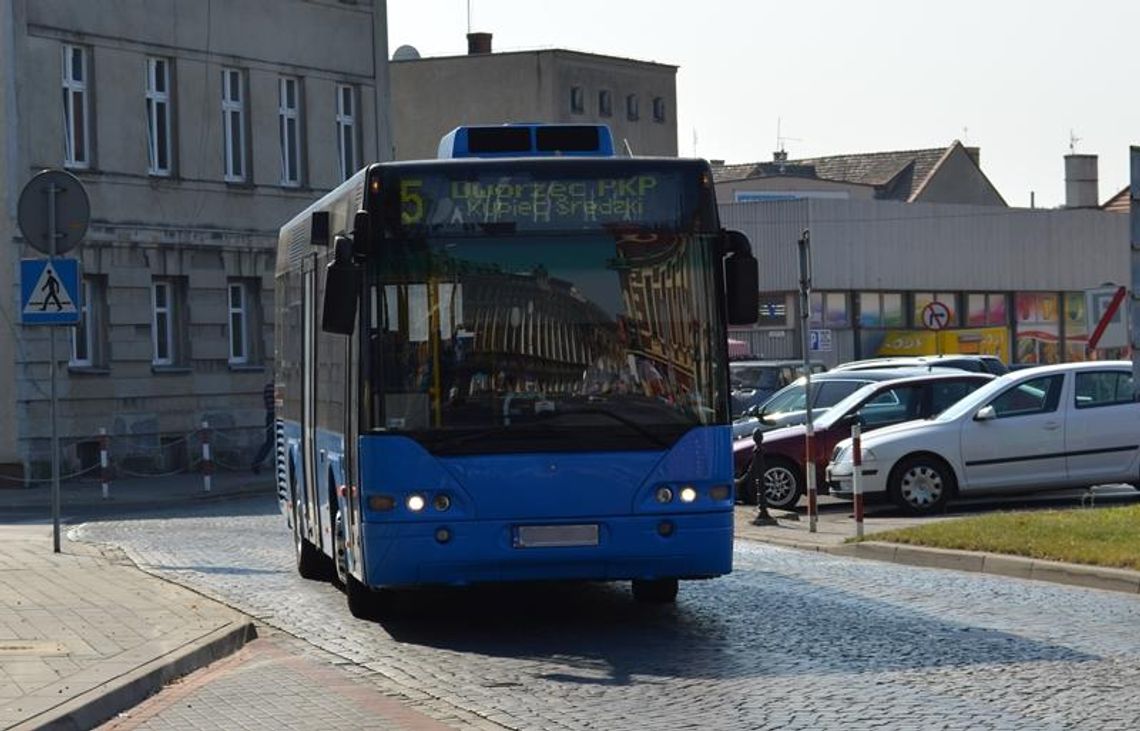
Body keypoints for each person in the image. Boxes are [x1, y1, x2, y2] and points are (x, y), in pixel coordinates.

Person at [251, 382, 275, 474]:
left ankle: (257, 462)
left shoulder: (267, 387)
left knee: (269, 442)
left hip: (269, 415)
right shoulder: (276, 387)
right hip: (275, 416)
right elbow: (280, 404)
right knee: (271, 442)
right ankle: (256, 463)